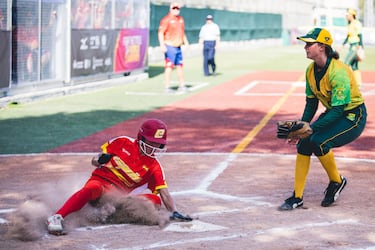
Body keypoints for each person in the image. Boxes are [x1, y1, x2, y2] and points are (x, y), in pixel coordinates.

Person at [47, 118, 192, 235]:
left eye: (159, 144)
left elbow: (164, 194)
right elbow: (94, 161)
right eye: (152, 143)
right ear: (141, 138)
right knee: (92, 188)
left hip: (117, 196)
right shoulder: (122, 142)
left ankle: (107, 213)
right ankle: (56, 217)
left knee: (154, 200)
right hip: (101, 183)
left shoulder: (154, 166)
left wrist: (174, 212)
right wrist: (99, 160)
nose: (155, 148)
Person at [279, 28, 367, 211]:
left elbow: (338, 110)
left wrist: (308, 130)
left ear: (322, 47)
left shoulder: (339, 72)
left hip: (353, 116)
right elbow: (311, 105)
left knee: (319, 142)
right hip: (335, 112)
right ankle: (297, 197)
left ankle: (337, 181)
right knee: (303, 144)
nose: (305, 47)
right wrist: (299, 129)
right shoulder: (310, 71)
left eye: (309, 44)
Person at [158, 2, 189, 93]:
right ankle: (167, 87)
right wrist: (162, 45)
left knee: (179, 65)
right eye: (174, 8)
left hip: (178, 46)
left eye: (177, 8)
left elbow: (182, 32)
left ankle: (182, 85)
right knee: (169, 66)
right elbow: (160, 33)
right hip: (169, 46)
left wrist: (186, 42)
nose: (176, 10)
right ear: (170, 9)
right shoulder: (166, 20)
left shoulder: (180, 20)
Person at [341, 8, 364, 87]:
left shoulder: (357, 23)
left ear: (352, 15)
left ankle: (346, 82)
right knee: (354, 66)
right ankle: (359, 84)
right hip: (351, 46)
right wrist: (342, 45)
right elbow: (348, 36)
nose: (346, 16)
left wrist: (361, 46)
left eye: (348, 15)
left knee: (346, 63)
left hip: (356, 46)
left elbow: (360, 35)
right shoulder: (350, 24)